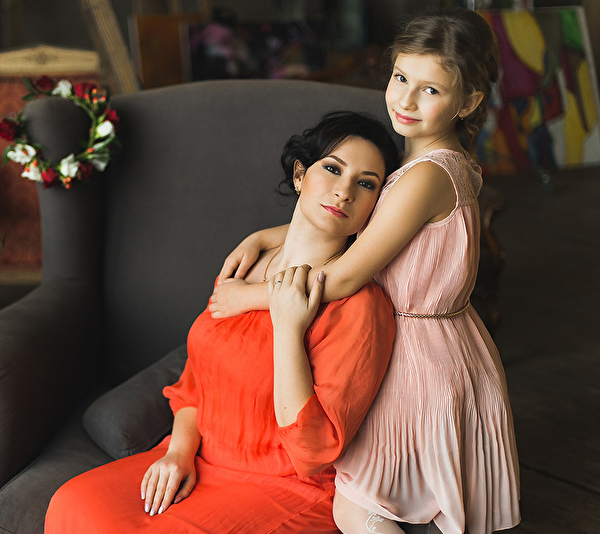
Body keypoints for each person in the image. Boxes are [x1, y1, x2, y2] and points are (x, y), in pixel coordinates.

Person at [210, 8, 521, 534]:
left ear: (468, 102)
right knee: (379, 501)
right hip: (431, 338)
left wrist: (249, 296)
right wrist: (268, 235)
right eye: (400, 78)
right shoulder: (431, 163)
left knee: (357, 505)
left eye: (430, 90)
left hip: (420, 355)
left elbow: (347, 275)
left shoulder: (426, 176)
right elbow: (369, 228)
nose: (405, 100)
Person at [44, 111, 399, 533]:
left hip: (286, 486)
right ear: (300, 175)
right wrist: (178, 453)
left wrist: (289, 329)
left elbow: (313, 451)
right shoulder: (246, 264)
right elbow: (195, 384)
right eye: (333, 169)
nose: (344, 192)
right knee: (72, 504)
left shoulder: (362, 307)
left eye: (366, 184)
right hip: (201, 458)